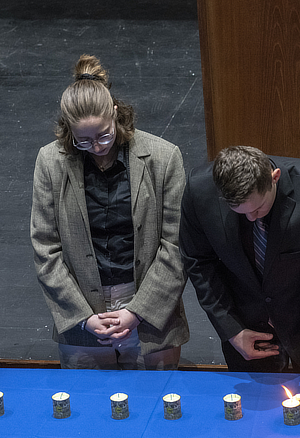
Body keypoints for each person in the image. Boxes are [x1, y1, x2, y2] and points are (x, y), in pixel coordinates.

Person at [30, 54, 189, 370]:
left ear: (115, 113)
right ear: (68, 129)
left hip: (150, 314)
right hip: (84, 316)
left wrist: (136, 311)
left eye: (104, 134)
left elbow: (176, 246)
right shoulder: (50, 161)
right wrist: (85, 318)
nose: (98, 146)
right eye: (84, 140)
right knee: (88, 412)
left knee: (153, 409)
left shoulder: (164, 157)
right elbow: (45, 249)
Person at [180, 145, 300, 399]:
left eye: (257, 209)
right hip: (247, 331)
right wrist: (231, 329)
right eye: (241, 212)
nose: (251, 219)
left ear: (274, 177)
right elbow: (198, 262)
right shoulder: (199, 190)